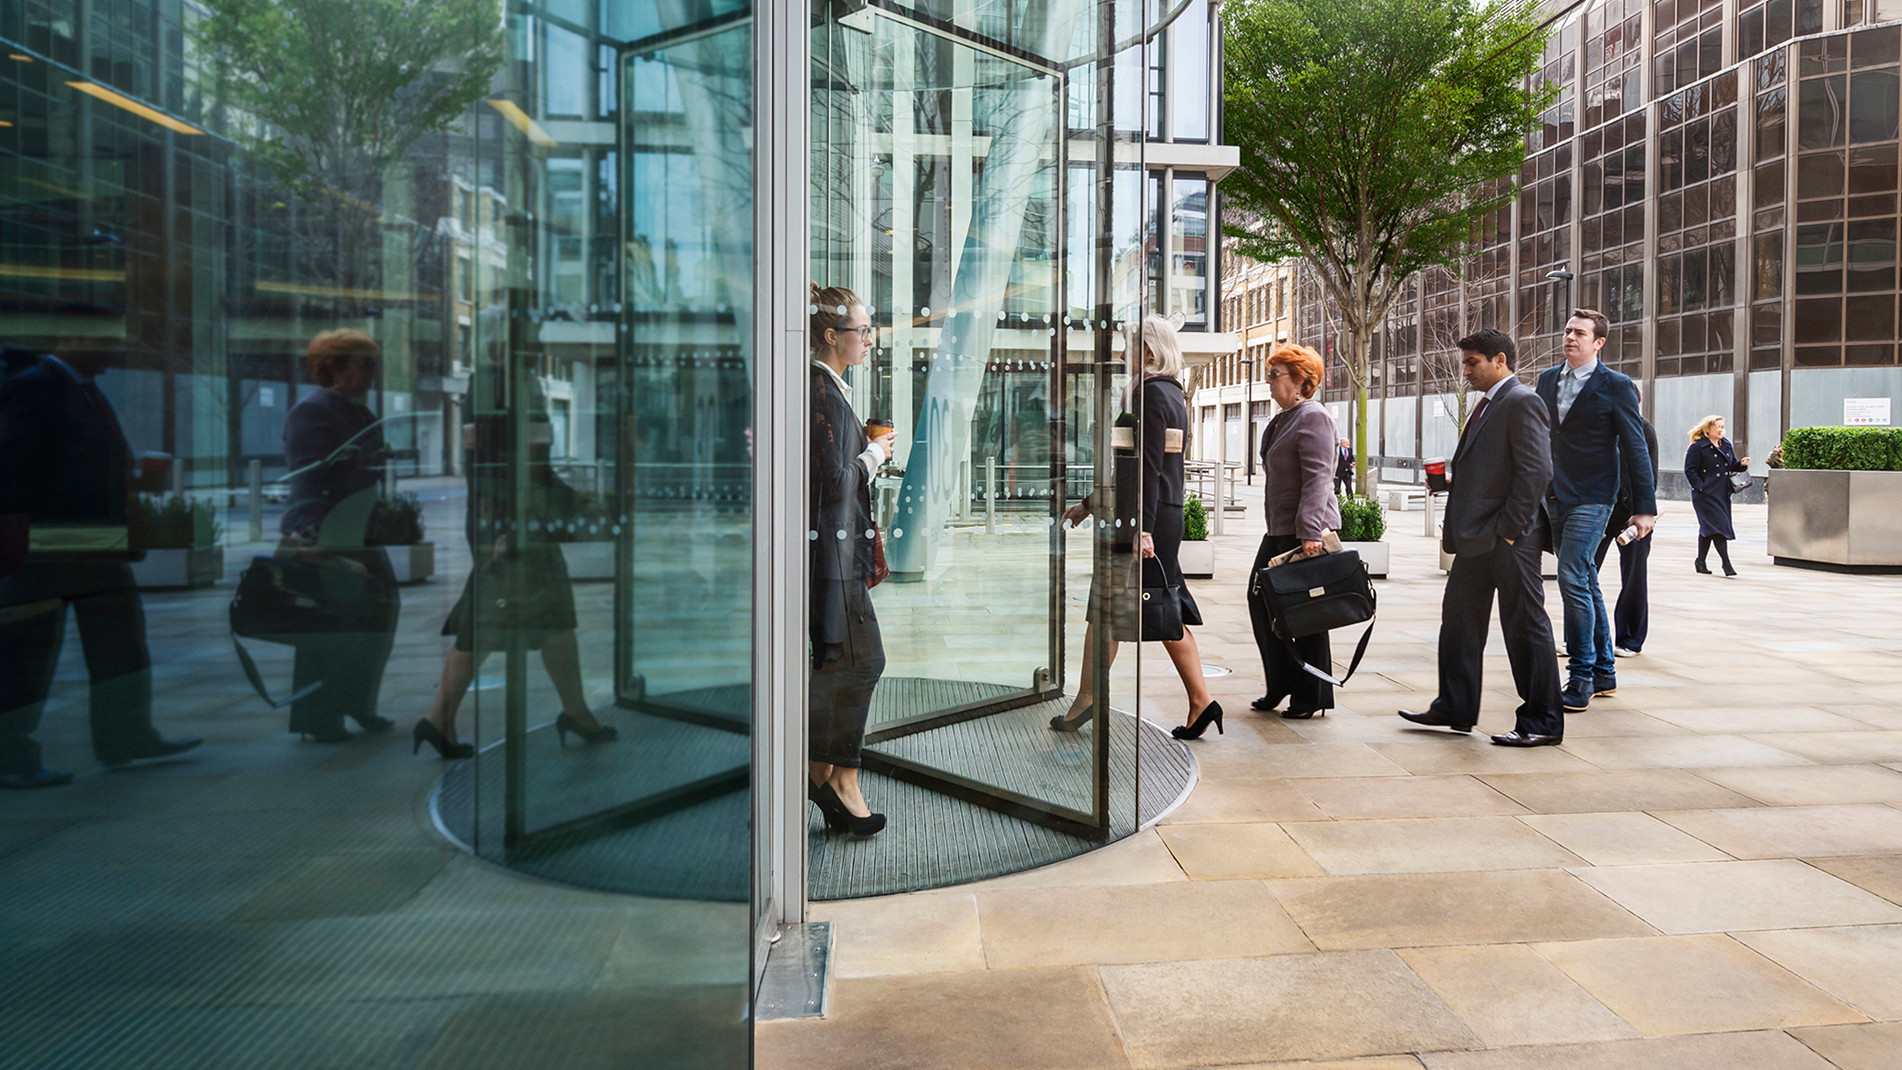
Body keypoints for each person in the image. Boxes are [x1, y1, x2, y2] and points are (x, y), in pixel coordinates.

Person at [0, 338, 201, 788]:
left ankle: (127, 737)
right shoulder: (33, 387)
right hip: (51, 546)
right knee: (26, 655)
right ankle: (10, 757)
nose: (120, 350)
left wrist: (133, 484)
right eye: (108, 340)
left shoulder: (84, 388)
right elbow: (15, 468)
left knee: (122, 645)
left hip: (96, 543)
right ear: (74, 340)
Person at [416, 360, 616, 760]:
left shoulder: (517, 382)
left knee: (538, 618)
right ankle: (440, 717)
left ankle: (571, 711)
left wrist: (578, 503)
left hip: (522, 526)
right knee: (497, 621)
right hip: (513, 531)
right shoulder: (494, 387)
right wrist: (499, 531)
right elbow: (491, 469)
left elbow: (534, 471)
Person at [1055, 316, 1220, 741]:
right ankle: (1201, 702)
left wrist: (1140, 529)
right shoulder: (1170, 393)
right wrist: (1091, 505)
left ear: (1148, 351)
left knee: (1110, 606)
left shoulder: (1148, 395)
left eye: (1130, 347)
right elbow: (1137, 468)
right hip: (1158, 515)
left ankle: (1089, 699)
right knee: (1161, 605)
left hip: (1144, 521)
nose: (1124, 354)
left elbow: (1144, 468)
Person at [1399, 330, 1564, 747]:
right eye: (1465, 362)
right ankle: (1455, 706)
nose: (1466, 370)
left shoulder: (1522, 401)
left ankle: (1542, 721)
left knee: (1524, 627)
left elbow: (1535, 473)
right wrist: (1456, 481)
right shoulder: (1490, 404)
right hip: (1476, 538)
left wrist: (1509, 532)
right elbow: (1498, 468)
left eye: (1473, 362)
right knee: (1458, 622)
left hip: (1508, 538)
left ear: (1501, 360)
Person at [278, 330, 401, 742]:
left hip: (358, 531)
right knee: (328, 626)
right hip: (330, 534)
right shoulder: (313, 410)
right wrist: (313, 539)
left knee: (376, 616)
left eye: (372, 364)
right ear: (334, 367)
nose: (371, 374)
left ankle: (356, 703)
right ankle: (318, 716)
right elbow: (306, 479)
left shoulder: (359, 413)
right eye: (363, 364)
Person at [1534, 309, 1655, 713]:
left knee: (1570, 575)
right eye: (1567, 330)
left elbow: (1636, 449)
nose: (1570, 337)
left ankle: (1581, 674)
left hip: (1595, 496)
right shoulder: (1548, 380)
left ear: (1598, 342)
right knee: (1585, 577)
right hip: (1554, 495)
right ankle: (1605, 670)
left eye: (1580, 333)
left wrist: (1644, 509)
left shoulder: (1616, 386)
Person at [808, 284, 891, 836]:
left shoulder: (825, 390)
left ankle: (821, 772)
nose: (869, 339)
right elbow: (835, 482)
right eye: (862, 331)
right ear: (833, 337)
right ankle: (839, 778)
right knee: (863, 661)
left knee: (841, 663)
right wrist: (874, 456)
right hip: (831, 559)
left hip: (831, 554)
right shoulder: (824, 394)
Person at [1249, 344, 1341, 720]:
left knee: (1306, 614)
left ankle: (1311, 693)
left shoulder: (1313, 417)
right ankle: (1282, 683)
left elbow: (1319, 478)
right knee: (1264, 603)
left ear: (1302, 381)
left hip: (1304, 531)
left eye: (1275, 374)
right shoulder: (1283, 419)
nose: (1268, 382)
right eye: (1269, 374)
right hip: (1281, 529)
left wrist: (1310, 535)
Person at [1594, 395, 1659, 657]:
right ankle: (1578, 635)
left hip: (1633, 513)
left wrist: (1642, 511)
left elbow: (1649, 473)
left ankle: (1630, 639)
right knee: (1583, 574)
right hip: (1598, 510)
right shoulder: (1597, 428)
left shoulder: (1643, 429)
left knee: (1634, 575)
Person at [1685, 415, 1750, 577]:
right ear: (1708, 430)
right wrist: (1700, 487)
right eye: (1718, 427)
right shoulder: (1698, 447)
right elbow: (1690, 470)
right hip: (1705, 495)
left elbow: (1731, 465)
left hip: (1722, 492)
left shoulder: (1725, 444)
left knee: (1709, 528)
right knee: (1718, 527)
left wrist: (1741, 465)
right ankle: (1726, 563)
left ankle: (1700, 561)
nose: (1721, 430)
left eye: (1722, 426)